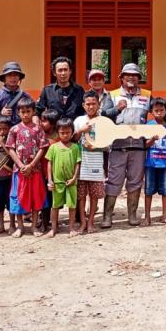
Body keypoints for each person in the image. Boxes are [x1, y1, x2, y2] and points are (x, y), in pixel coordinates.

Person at [102, 63, 152, 228]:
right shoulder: (113, 95)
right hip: (118, 147)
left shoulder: (147, 95)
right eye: (127, 75)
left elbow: (160, 112)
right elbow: (104, 116)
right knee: (113, 182)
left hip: (138, 148)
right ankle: (107, 216)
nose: (131, 78)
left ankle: (132, 215)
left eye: (135, 75)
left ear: (139, 78)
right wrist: (116, 109)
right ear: (121, 78)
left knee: (136, 182)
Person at [5, 99, 49, 238]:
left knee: (36, 198)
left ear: (33, 111)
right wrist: (21, 165)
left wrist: (31, 165)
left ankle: (34, 226)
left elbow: (43, 148)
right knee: (19, 198)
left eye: (28, 111)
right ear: (18, 113)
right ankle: (20, 226)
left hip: (35, 171)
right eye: (22, 112)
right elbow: (10, 148)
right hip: (20, 171)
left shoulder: (38, 129)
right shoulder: (14, 129)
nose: (25, 114)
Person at [73, 91, 107, 234]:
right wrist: (81, 130)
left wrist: (96, 146)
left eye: (94, 103)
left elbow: (108, 146)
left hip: (96, 164)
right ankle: (83, 223)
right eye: (88, 104)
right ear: (83, 105)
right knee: (81, 196)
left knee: (94, 196)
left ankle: (91, 222)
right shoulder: (78, 121)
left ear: (99, 104)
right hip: (81, 164)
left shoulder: (103, 122)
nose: (91, 106)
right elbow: (72, 140)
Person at [45, 118, 81, 238]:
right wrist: (50, 180)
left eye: (68, 132)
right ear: (58, 132)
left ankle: (71, 228)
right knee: (55, 206)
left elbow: (77, 163)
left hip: (71, 182)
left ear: (72, 132)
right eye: (62, 133)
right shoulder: (53, 147)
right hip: (57, 183)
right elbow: (49, 164)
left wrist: (74, 178)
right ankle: (54, 228)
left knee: (72, 206)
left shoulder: (75, 147)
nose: (65, 135)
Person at [143, 98, 166, 226]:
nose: (159, 113)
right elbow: (144, 145)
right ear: (151, 111)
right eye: (156, 110)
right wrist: (152, 140)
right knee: (148, 190)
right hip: (150, 163)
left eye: (162, 110)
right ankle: (147, 217)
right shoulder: (148, 125)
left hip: (165, 163)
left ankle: (165, 215)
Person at [37, 56, 85, 121]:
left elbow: (85, 111)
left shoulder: (79, 90)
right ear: (54, 73)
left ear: (70, 71)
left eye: (65, 70)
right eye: (60, 70)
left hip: (75, 129)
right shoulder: (47, 90)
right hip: (54, 129)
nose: (63, 73)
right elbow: (38, 111)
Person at [0, 61, 32, 131]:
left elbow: (33, 115)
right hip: (2, 136)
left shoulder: (26, 96)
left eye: (15, 75)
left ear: (19, 78)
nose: (13, 78)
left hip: (22, 135)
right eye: (9, 75)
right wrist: (0, 114)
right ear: (4, 78)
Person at [37, 109, 60, 232]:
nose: (41, 123)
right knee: (44, 199)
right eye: (41, 120)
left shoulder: (59, 137)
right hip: (41, 172)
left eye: (45, 121)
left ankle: (53, 222)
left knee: (54, 200)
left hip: (55, 172)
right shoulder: (40, 135)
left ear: (53, 123)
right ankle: (44, 222)